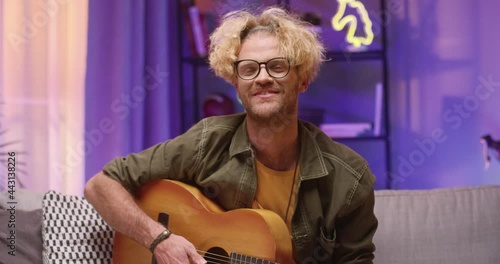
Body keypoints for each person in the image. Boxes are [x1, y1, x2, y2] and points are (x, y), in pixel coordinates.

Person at [84, 6, 378, 264]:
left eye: (277, 66)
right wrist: (158, 239)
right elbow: (101, 185)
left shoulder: (349, 179)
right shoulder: (206, 142)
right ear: (236, 84)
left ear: (302, 79)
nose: (262, 78)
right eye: (249, 69)